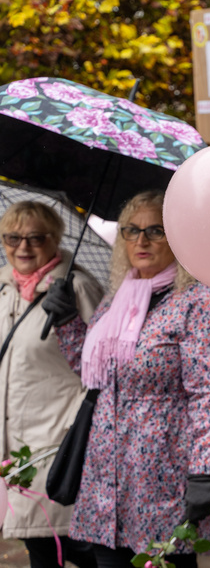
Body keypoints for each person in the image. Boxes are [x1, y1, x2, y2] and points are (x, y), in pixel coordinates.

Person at [67, 191, 210, 567]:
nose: (141, 241)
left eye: (156, 230)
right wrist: (68, 324)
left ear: (178, 236)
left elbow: (209, 393)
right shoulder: (117, 299)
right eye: (132, 230)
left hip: (160, 475)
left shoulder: (201, 300)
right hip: (104, 474)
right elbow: (94, 374)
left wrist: (204, 469)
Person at [0, 201, 103, 568]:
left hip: (58, 443)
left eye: (35, 238)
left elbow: (101, 367)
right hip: (15, 447)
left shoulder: (78, 287)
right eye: (13, 237)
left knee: (74, 544)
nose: (22, 247)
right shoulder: (4, 289)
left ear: (55, 239)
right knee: (40, 545)